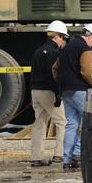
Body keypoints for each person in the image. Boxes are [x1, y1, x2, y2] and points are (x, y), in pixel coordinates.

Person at [53, 23, 92, 170]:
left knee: (71, 125)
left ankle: (67, 160)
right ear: (91, 36)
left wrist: (64, 81)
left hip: (66, 91)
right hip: (80, 91)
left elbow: (55, 69)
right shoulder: (85, 49)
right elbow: (87, 72)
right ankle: (78, 154)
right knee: (88, 122)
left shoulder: (66, 47)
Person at [28, 20, 68, 167]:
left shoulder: (38, 51)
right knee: (62, 122)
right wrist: (57, 94)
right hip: (47, 92)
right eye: (63, 37)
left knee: (39, 124)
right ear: (56, 37)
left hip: (35, 91)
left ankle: (36, 157)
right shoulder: (54, 52)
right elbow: (52, 75)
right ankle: (59, 154)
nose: (63, 41)